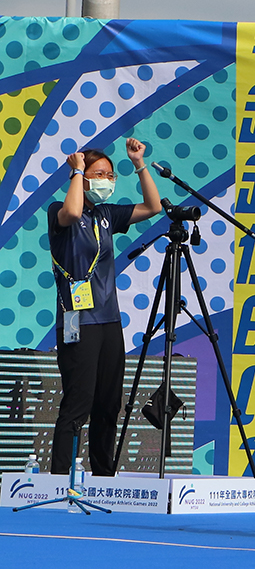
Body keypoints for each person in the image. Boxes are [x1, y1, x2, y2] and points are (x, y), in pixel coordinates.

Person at [48, 138, 162, 476]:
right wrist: (77, 171)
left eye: (110, 176)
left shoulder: (107, 215)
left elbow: (153, 207)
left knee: (109, 404)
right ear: (82, 179)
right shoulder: (59, 210)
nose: (106, 181)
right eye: (99, 174)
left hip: (110, 322)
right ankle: (60, 477)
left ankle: (103, 474)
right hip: (77, 322)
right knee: (77, 402)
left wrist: (139, 164)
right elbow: (71, 212)